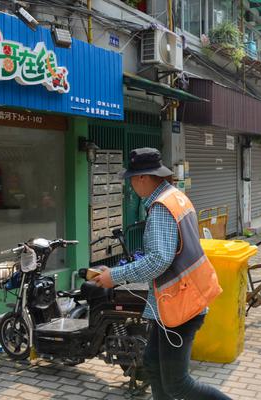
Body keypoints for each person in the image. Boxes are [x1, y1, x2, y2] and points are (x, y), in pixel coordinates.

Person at [92, 148, 230, 400]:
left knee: (178, 384)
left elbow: (159, 260)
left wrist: (116, 275)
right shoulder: (176, 196)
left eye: (132, 179)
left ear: (144, 177)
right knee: (153, 365)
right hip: (174, 303)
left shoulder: (161, 208)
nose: (131, 185)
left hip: (180, 306)